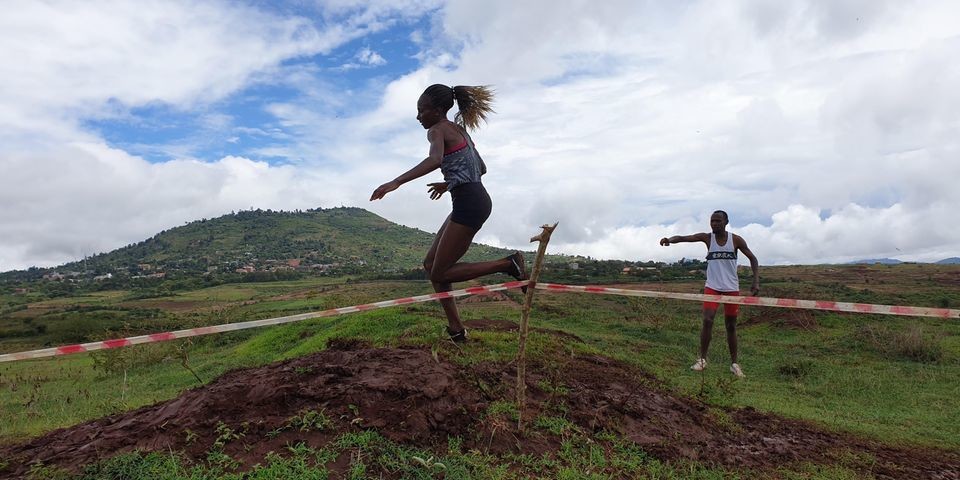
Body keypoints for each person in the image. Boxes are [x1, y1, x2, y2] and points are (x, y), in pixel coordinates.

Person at [370, 84, 527, 343]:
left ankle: (507, 264)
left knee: (440, 273)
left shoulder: (436, 130)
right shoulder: (460, 130)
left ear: (437, 110)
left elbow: (435, 159)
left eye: (422, 110)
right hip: (474, 198)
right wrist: (450, 181)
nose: (418, 116)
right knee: (431, 265)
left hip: (470, 203)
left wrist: (396, 182)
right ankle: (456, 329)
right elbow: (481, 168)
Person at [659, 210, 759, 377]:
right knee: (707, 320)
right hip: (712, 286)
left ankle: (734, 364)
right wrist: (669, 240)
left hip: (731, 288)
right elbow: (685, 238)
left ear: (726, 222)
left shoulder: (736, 240)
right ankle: (702, 360)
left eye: (718, 221)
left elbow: (753, 258)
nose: (714, 224)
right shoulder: (707, 238)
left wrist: (756, 281)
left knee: (731, 326)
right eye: (712, 221)